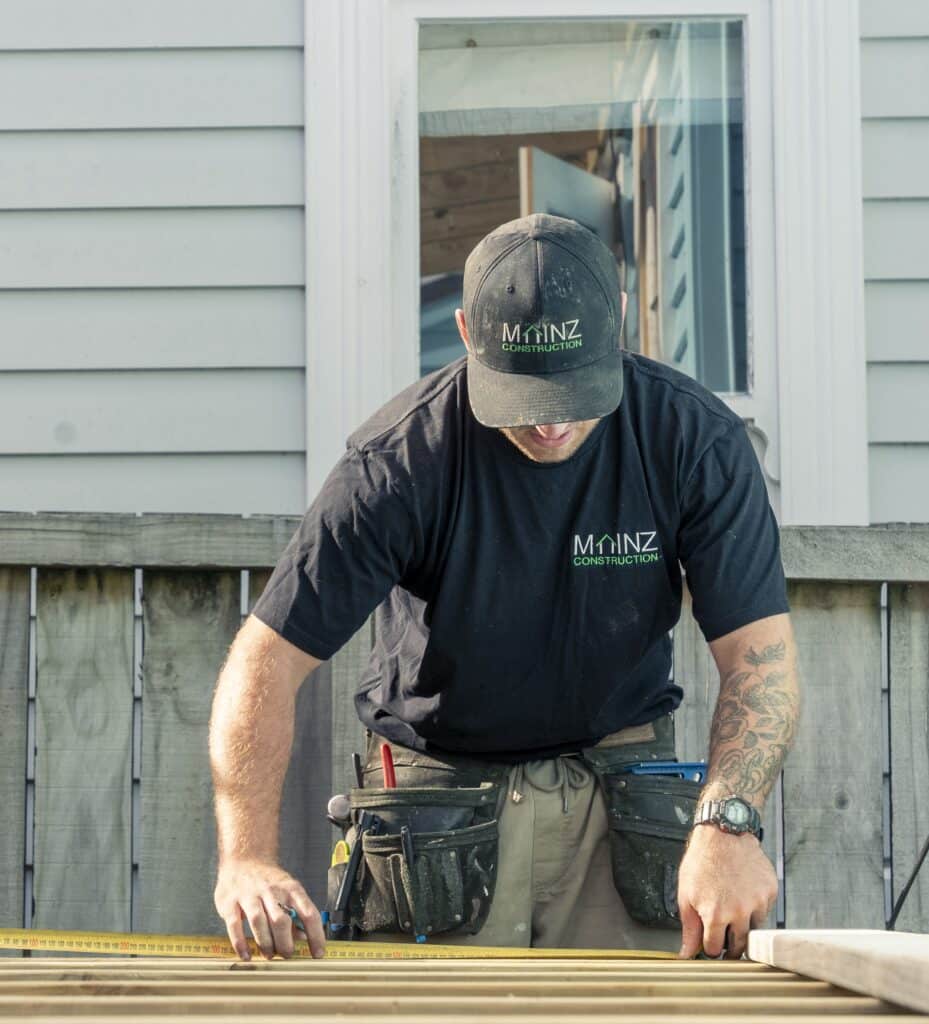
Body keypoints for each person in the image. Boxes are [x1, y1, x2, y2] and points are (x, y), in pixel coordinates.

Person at [209, 214, 800, 963]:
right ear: (465, 332)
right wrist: (246, 858)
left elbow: (761, 661)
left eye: (573, 393)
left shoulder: (691, 440)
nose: (550, 427)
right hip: (438, 801)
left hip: (617, 780)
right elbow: (263, 663)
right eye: (524, 396)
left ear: (616, 317)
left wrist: (727, 823)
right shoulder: (396, 465)